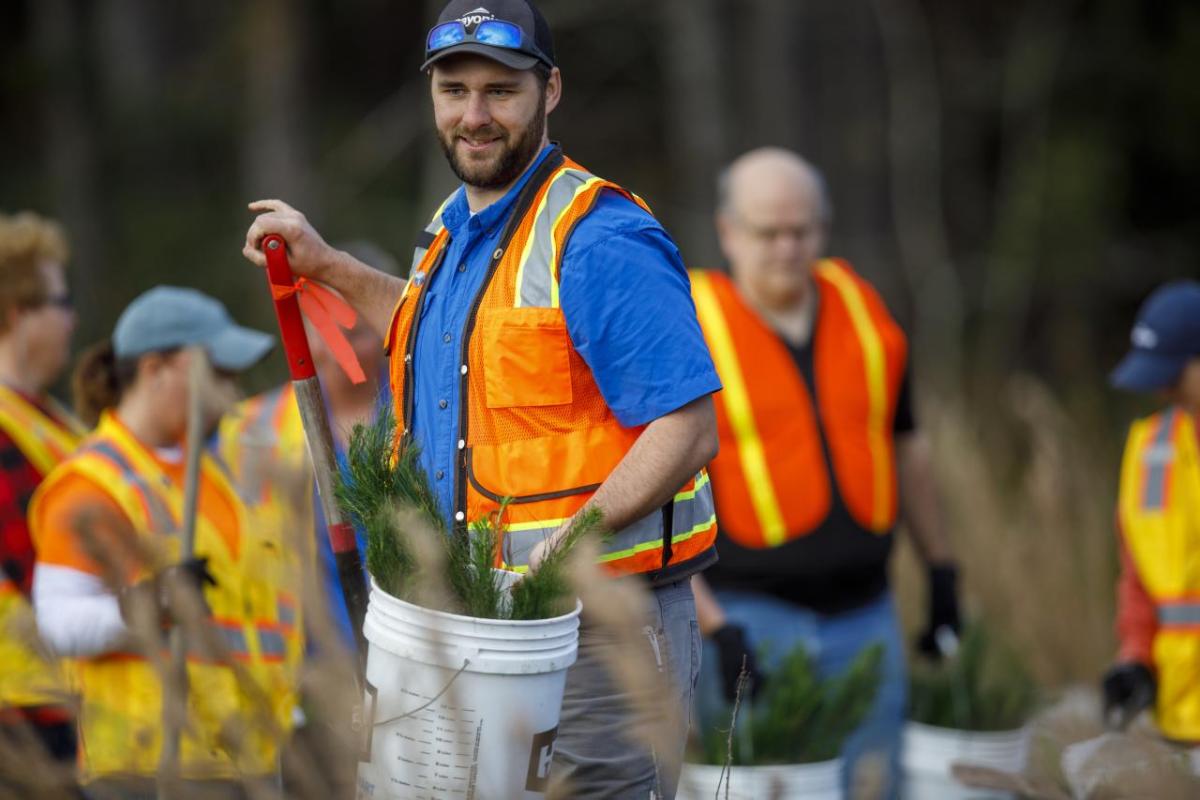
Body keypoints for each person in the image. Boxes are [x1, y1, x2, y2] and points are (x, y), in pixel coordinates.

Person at [242, 1, 721, 795]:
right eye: (453, 90)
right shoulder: (452, 226)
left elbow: (688, 426)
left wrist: (565, 548)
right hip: (478, 624)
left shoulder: (597, 236)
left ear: (550, 90)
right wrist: (324, 264)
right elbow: (445, 336)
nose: (474, 116)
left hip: (602, 629)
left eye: (500, 91)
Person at [688, 148, 960, 797]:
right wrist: (712, 626)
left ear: (824, 226)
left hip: (867, 617)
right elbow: (663, 495)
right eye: (767, 232)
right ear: (729, 231)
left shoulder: (866, 316)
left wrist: (943, 570)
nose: (787, 247)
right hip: (748, 622)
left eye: (801, 230)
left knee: (876, 786)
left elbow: (907, 444)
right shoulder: (689, 326)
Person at [29, 287, 288, 798]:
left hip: (245, 757)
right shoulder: (93, 483)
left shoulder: (216, 474)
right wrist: (151, 604)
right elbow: (57, 624)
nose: (231, 393)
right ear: (155, 369)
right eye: (217, 373)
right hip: (146, 765)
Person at [0, 212, 84, 789]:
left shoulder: (54, 422)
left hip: (62, 694)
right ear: (17, 314)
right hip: (18, 707)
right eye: (61, 300)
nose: (72, 317)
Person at [1103, 280, 1200, 742]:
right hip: (1177, 723)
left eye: (1174, 375)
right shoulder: (1148, 449)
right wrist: (1135, 659)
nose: (1163, 390)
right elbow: (1138, 578)